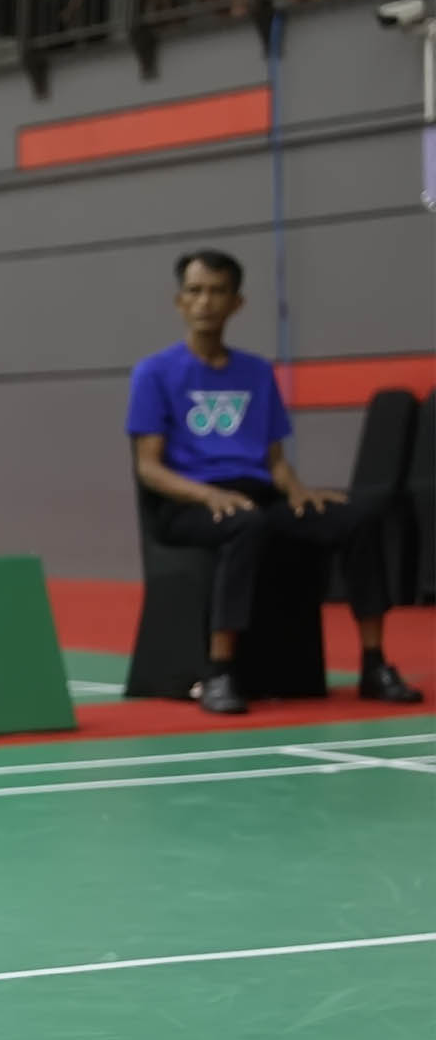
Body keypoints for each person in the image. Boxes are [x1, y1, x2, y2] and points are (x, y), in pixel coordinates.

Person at [127, 250, 423, 714]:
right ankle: (220, 673)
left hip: (258, 497)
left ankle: (374, 664)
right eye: (195, 291)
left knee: (358, 517)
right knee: (246, 524)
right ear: (179, 301)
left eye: (217, 292)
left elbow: (276, 461)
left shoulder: (256, 372)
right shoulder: (154, 372)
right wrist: (209, 494)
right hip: (187, 504)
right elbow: (149, 468)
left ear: (237, 303)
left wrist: (297, 491)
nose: (205, 302)